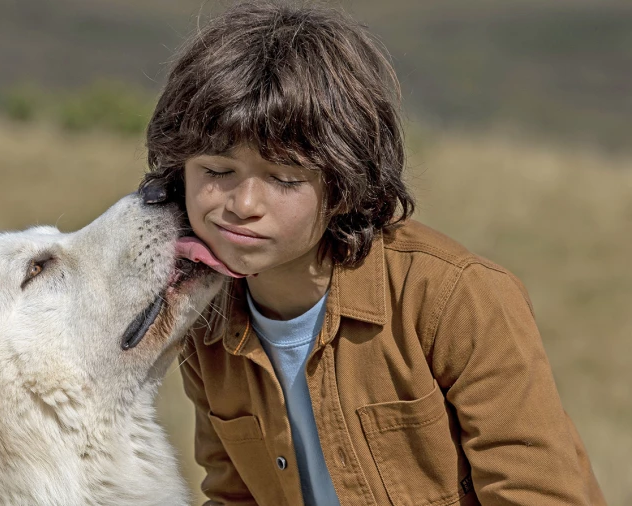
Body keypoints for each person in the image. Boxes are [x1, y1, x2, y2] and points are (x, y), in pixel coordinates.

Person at [139, 2, 605, 505]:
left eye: (285, 178)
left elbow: (539, 495)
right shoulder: (206, 319)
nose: (244, 205)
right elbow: (235, 496)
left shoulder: (456, 297)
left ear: (345, 183)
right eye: (216, 171)